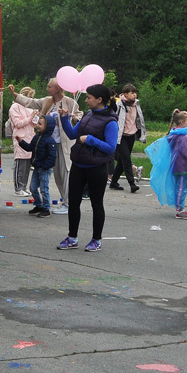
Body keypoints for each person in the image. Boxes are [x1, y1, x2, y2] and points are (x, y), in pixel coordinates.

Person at [56, 84, 118, 252]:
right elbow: (72, 134)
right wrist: (63, 119)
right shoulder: (88, 115)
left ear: (99, 100)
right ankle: (72, 237)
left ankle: (96, 239)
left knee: (96, 204)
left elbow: (111, 148)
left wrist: (90, 139)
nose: (86, 100)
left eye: (89, 97)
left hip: (97, 168)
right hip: (78, 164)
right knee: (73, 202)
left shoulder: (110, 121)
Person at [9, 80, 79, 214]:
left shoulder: (69, 101)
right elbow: (31, 102)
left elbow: (78, 116)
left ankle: (68, 203)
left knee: (64, 173)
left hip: (62, 143)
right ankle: (56, 202)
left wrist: (73, 117)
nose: (47, 89)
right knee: (54, 175)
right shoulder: (47, 101)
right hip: (47, 142)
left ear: (58, 88)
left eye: (49, 87)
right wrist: (15, 94)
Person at [145, 110, 187, 220]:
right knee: (181, 188)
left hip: (176, 167)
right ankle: (180, 210)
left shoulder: (173, 136)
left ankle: (179, 207)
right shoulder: (184, 138)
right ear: (182, 122)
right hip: (184, 167)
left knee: (178, 187)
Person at [110, 84, 147, 192]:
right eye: (132, 93)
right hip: (121, 136)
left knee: (122, 160)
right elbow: (113, 115)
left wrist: (141, 132)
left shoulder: (136, 104)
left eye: (135, 93)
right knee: (126, 159)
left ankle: (113, 182)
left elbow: (139, 119)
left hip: (132, 134)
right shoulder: (119, 104)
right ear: (125, 94)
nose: (134, 95)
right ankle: (132, 183)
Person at [20, 114, 58, 218]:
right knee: (32, 188)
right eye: (38, 123)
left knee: (44, 189)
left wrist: (45, 166)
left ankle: (46, 208)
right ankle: (38, 205)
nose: (37, 125)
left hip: (44, 169)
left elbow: (52, 157)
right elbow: (29, 148)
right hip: (37, 168)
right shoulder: (36, 138)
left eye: (40, 124)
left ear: (48, 126)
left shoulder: (50, 141)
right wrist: (21, 142)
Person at [8, 87, 38, 196]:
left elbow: (33, 123)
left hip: (30, 137)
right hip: (20, 136)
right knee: (20, 163)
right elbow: (18, 123)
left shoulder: (29, 107)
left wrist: (37, 117)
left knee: (27, 165)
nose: (30, 100)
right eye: (29, 97)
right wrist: (31, 117)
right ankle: (18, 188)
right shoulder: (14, 107)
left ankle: (24, 186)